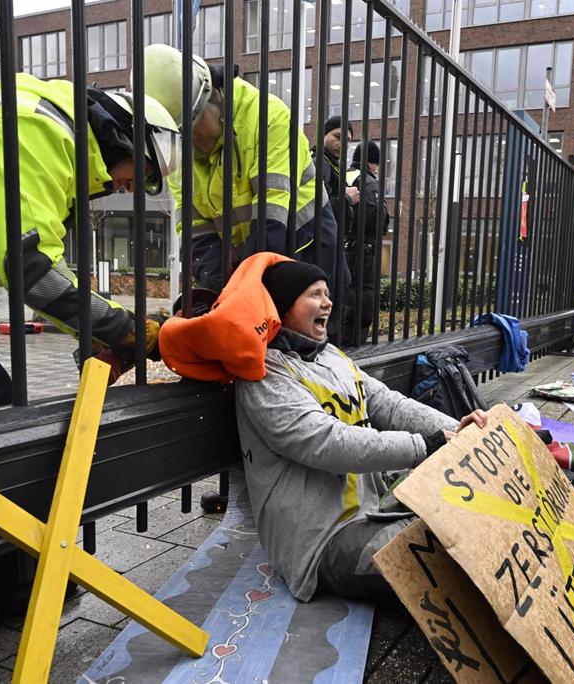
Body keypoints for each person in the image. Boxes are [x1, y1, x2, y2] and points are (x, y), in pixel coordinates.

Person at [0, 72, 178, 636]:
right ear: (121, 137)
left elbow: (22, 267)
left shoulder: (41, 122)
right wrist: (129, 331)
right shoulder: (40, 130)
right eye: (136, 173)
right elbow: (32, 269)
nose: (128, 188)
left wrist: (84, 335)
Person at [160, 254, 485, 601]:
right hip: (322, 541)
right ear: (283, 307)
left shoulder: (331, 356)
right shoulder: (265, 376)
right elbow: (324, 442)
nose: (328, 302)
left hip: (374, 510)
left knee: (472, 524)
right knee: (446, 562)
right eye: (314, 294)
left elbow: (388, 403)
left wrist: (459, 431)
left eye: (326, 292)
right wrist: (423, 446)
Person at [143, 44, 340, 294]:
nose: (190, 138)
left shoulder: (269, 117)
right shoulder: (182, 152)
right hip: (253, 259)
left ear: (214, 96)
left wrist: (242, 289)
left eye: (193, 125)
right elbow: (197, 236)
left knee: (318, 329)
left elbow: (271, 217)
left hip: (310, 250)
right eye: (180, 134)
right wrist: (221, 291)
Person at [342, 140, 390, 347]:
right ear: (373, 163)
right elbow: (376, 219)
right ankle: (355, 355)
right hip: (362, 253)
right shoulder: (369, 181)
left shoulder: (344, 175)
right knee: (361, 306)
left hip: (341, 248)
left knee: (342, 303)